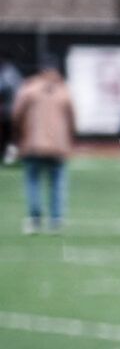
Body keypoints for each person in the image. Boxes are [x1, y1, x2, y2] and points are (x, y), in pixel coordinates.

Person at [12, 59, 74, 235]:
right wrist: (69, 137)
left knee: (33, 181)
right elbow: (72, 117)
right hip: (58, 144)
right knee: (57, 182)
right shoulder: (63, 90)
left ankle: (34, 219)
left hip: (33, 142)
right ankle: (56, 220)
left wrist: (19, 135)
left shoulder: (29, 88)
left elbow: (17, 114)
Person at [0, 60, 25, 165]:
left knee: (9, 135)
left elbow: (2, 88)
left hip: (9, 111)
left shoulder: (7, 74)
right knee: (12, 135)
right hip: (15, 110)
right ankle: (11, 156)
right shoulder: (15, 74)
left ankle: (9, 157)